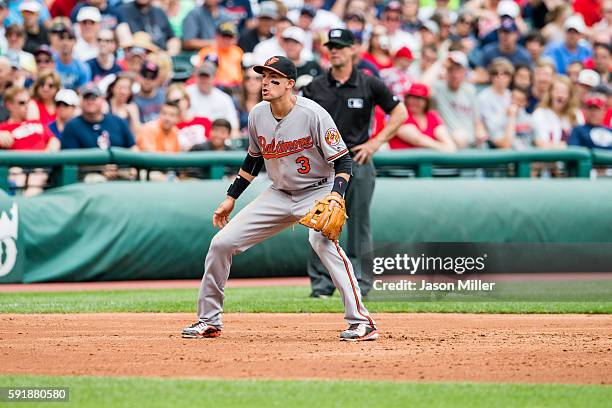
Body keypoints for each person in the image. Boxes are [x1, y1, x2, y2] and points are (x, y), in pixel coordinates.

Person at [181, 55, 379, 342]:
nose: (265, 84)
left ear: (290, 85)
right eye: (263, 78)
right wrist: (231, 197)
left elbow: (344, 161)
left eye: (274, 79)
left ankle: (362, 321)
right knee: (221, 243)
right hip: (278, 193)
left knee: (321, 242)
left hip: (317, 189)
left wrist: (336, 195)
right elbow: (253, 158)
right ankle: (208, 320)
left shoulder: (314, 114)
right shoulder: (258, 114)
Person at [302, 29, 407, 298]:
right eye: (331, 46)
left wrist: (375, 142)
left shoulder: (369, 83)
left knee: (359, 224)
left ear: (352, 50)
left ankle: (361, 284)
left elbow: (400, 112)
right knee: (320, 222)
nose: (334, 50)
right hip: (324, 164)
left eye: (339, 46)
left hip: (356, 159)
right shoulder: (315, 86)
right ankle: (322, 287)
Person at [432, 51, 488, 149]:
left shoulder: (470, 90)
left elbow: (477, 120)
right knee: (460, 136)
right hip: (451, 144)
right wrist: (440, 62)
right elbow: (420, 86)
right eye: (451, 70)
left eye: (458, 70)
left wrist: (481, 132)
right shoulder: (438, 88)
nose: (455, 74)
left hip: (473, 142)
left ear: (465, 71)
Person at [62, 82, 135, 149]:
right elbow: (70, 158)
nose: (90, 101)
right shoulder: (72, 126)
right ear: (81, 101)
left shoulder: (118, 122)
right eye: (86, 97)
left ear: (102, 99)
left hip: (119, 163)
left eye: (94, 97)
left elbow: (133, 148)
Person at [389, 82, 455, 152]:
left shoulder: (432, 116)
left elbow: (446, 139)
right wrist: (443, 148)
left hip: (427, 161)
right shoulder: (400, 114)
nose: (414, 101)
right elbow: (417, 140)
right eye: (411, 97)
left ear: (426, 102)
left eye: (419, 98)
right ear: (406, 98)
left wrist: (449, 147)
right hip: (401, 160)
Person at [186, 61, 239, 137]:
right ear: (196, 77)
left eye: (207, 77)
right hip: (190, 137)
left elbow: (234, 127)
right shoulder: (186, 93)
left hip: (215, 141)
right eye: (201, 76)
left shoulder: (224, 99)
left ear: (214, 78)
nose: (203, 80)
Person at [0, 85, 59, 151]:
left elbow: (54, 140)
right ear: (9, 105)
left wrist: (50, 151)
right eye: (22, 103)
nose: (27, 106)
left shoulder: (37, 122)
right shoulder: (3, 128)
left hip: (43, 159)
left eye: (28, 102)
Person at [533, 75, 583, 149]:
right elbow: (539, 142)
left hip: (570, 159)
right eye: (557, 91)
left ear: (570, 95)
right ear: (550, 93)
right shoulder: (540, 113)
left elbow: (581, 142)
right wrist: (564, 146)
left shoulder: (576, 114)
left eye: (564, 92)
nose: (560, 95)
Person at [195, 22, 244, 89]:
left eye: (230, 37)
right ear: (216, 36)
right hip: (215, 87)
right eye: (224, 36)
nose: (227, 40)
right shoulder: (206, 51)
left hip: (236, 87)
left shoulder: (238, 51)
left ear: (235, 39)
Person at [166, 83, 211, 151]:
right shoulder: (168, 128)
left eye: (177, 100)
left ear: (187, 100)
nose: (175, 105)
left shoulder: (204, 122)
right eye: (171, 102)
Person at [478, 58, 513, 142]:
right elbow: (490, 127)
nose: (500, 77)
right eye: (495, 73)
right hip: (492, 140)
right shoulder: (483, 97)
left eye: (505, 73)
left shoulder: (510, 94)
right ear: (491, 77)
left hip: (512, 135)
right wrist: (506, 113)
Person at [53, 25, 92, 90]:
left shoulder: (83, 67)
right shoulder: (50, 63)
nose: (65, 42)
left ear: (75, 41)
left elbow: (83, 91)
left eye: (70, 38)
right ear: (57, 41)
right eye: (62, 38)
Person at [236, 67, 262, 136]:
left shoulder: (270, 104)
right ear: (244, 81)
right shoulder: (236, 102)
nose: (252, 82)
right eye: (248, 78)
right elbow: (234, 130)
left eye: (257, 78)